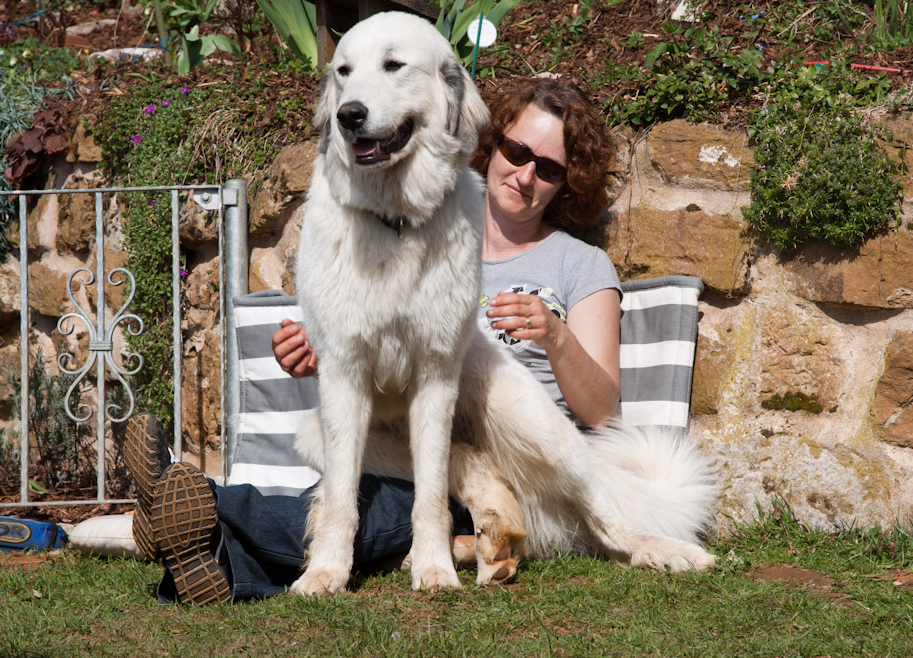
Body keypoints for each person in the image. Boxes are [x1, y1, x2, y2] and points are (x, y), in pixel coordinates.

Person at [131, 77, 619, 606]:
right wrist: (318, 352)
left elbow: (600, 411)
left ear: (567, 183)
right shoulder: (415, 231)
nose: (525, 176)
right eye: (517, 151)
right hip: (401, 441)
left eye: (548, 169)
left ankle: (196, 509)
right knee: (348, 478)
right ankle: (214, 559)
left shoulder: (579, 263)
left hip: (510, 454)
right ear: (492, 143)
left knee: (378, 508)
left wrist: (556, 335)